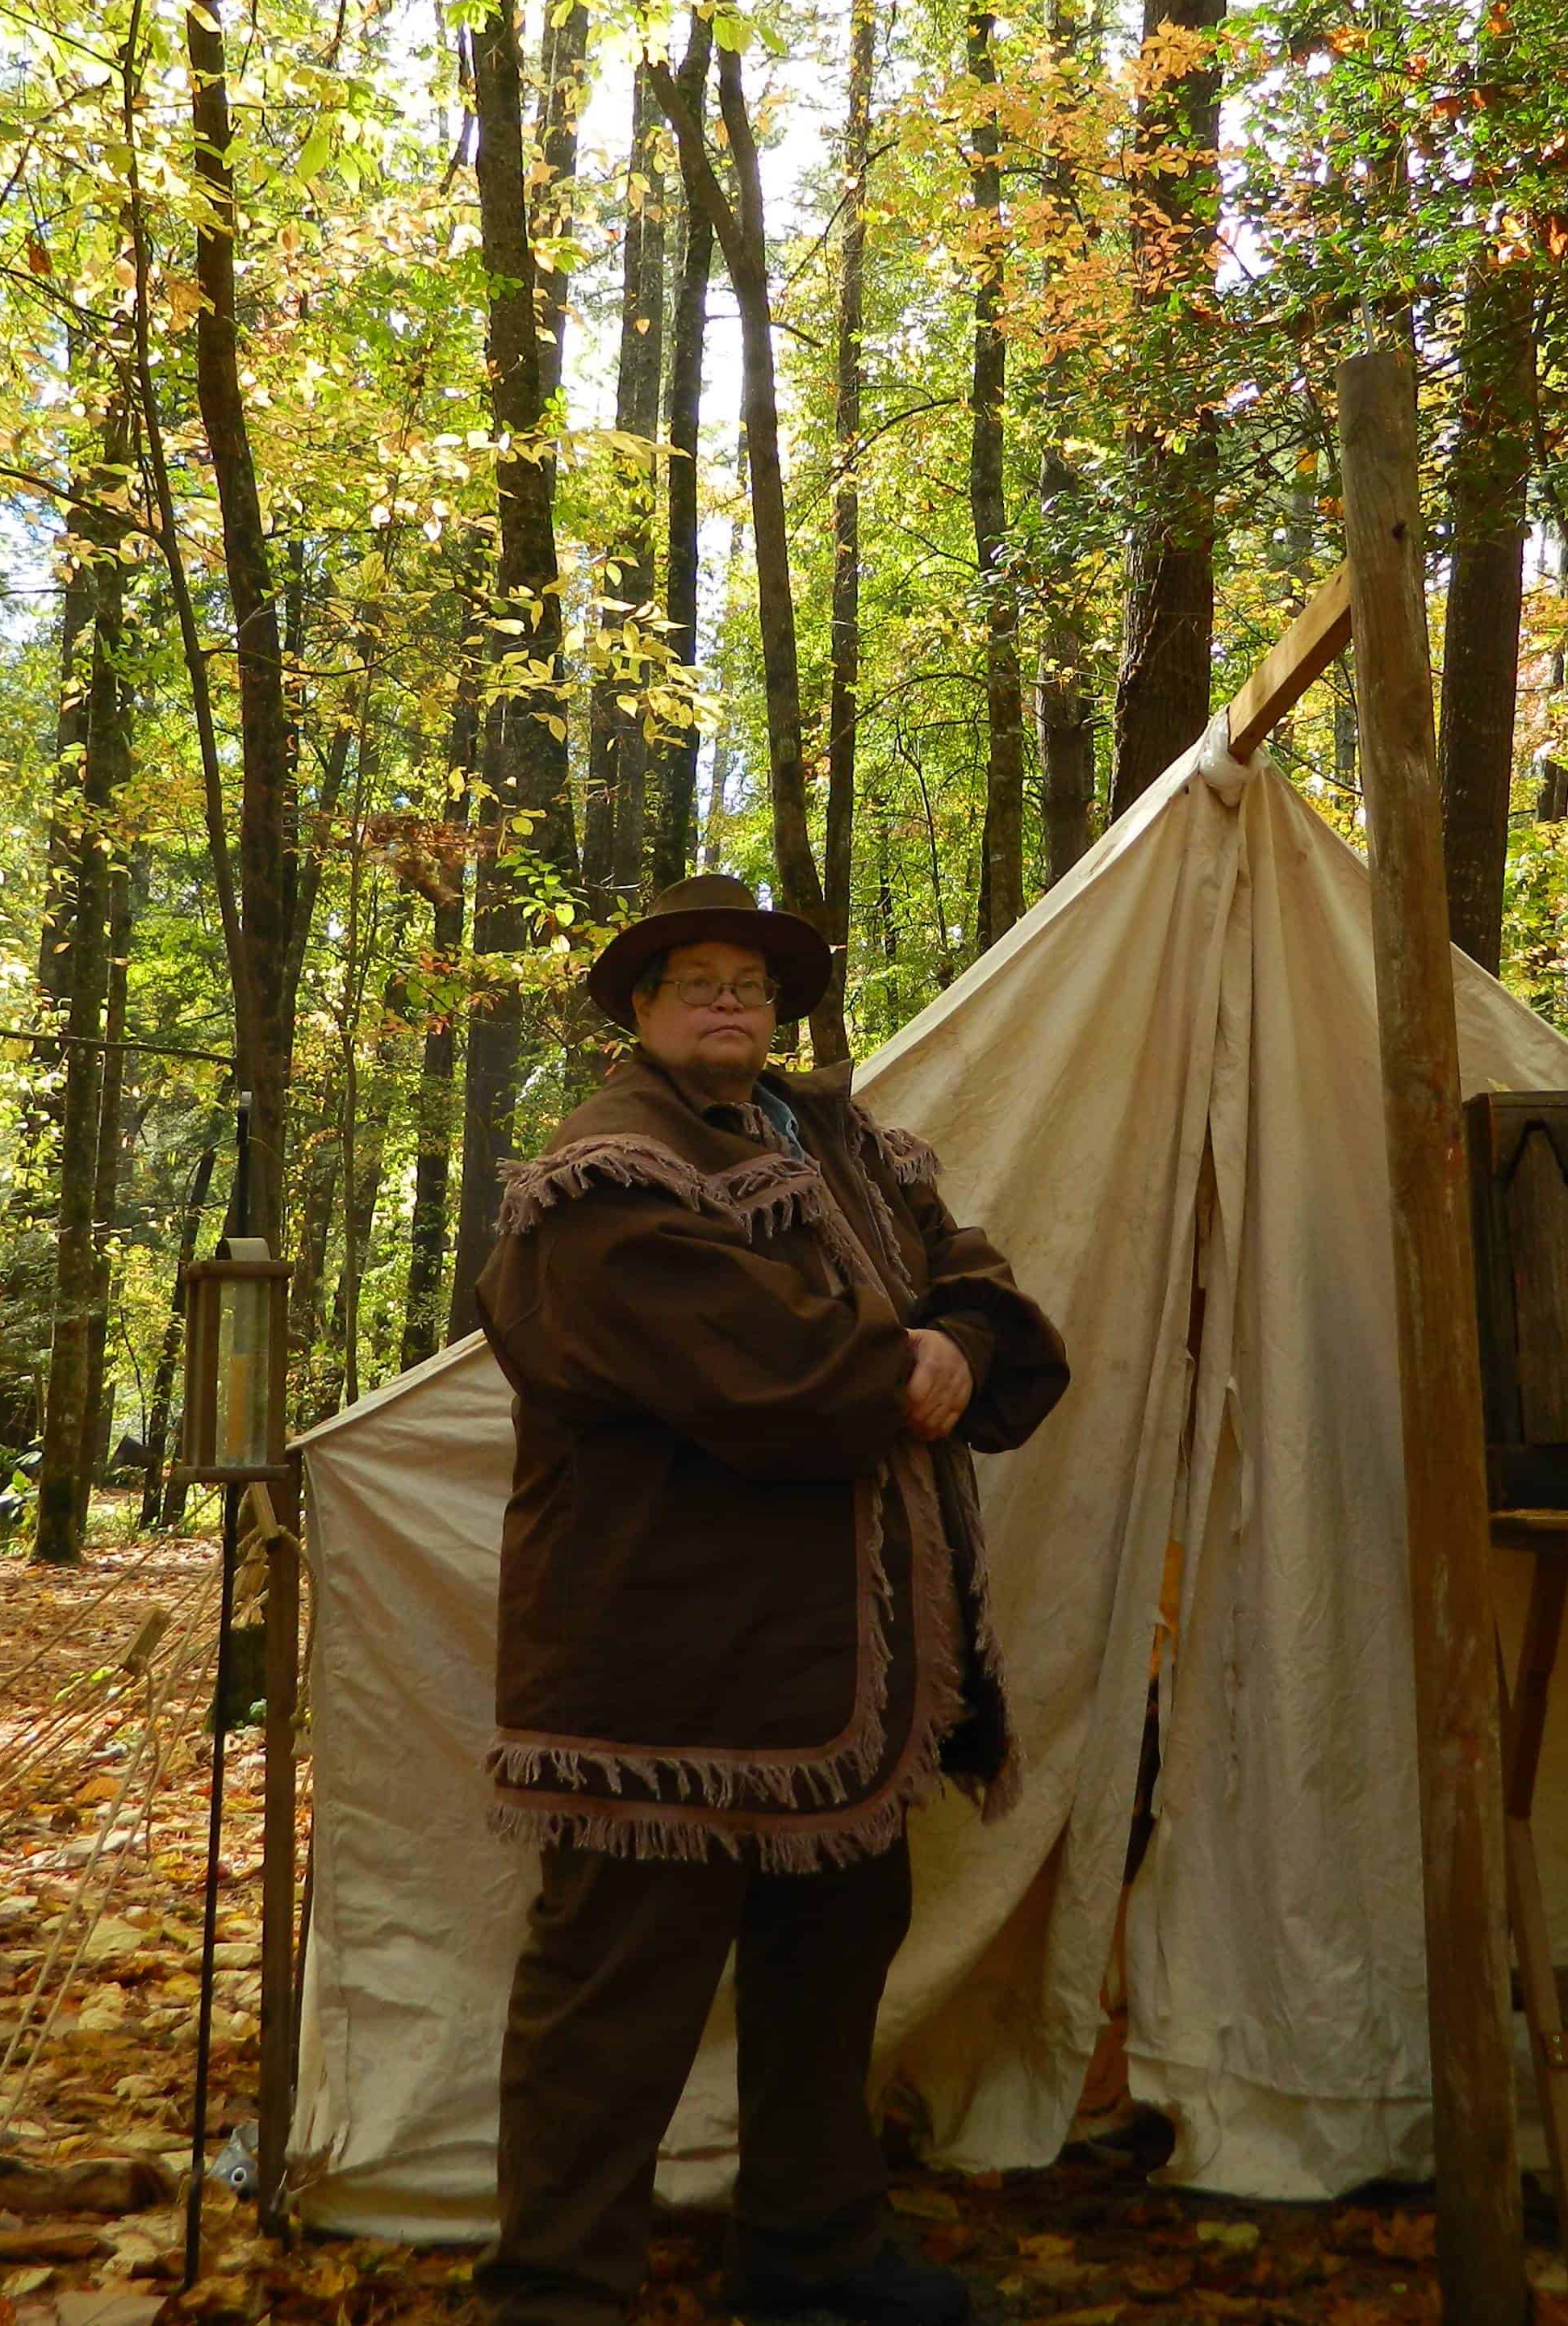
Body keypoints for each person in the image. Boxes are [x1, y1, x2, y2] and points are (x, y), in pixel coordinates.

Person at [473, 874, 1070, 2326]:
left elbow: (977, 1277)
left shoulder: (847, 1140)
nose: (732, 1000)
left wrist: (961, 1338)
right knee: (615, 1999)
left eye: (752, 980)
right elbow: (764, 1371)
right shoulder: (605, 1173)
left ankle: (812, 2255)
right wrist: (917, 1359)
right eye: (697, 982)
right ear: (641, 1010)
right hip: (666, 1672)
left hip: (840, 1683)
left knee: (829, 1969)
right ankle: (558, 2296)